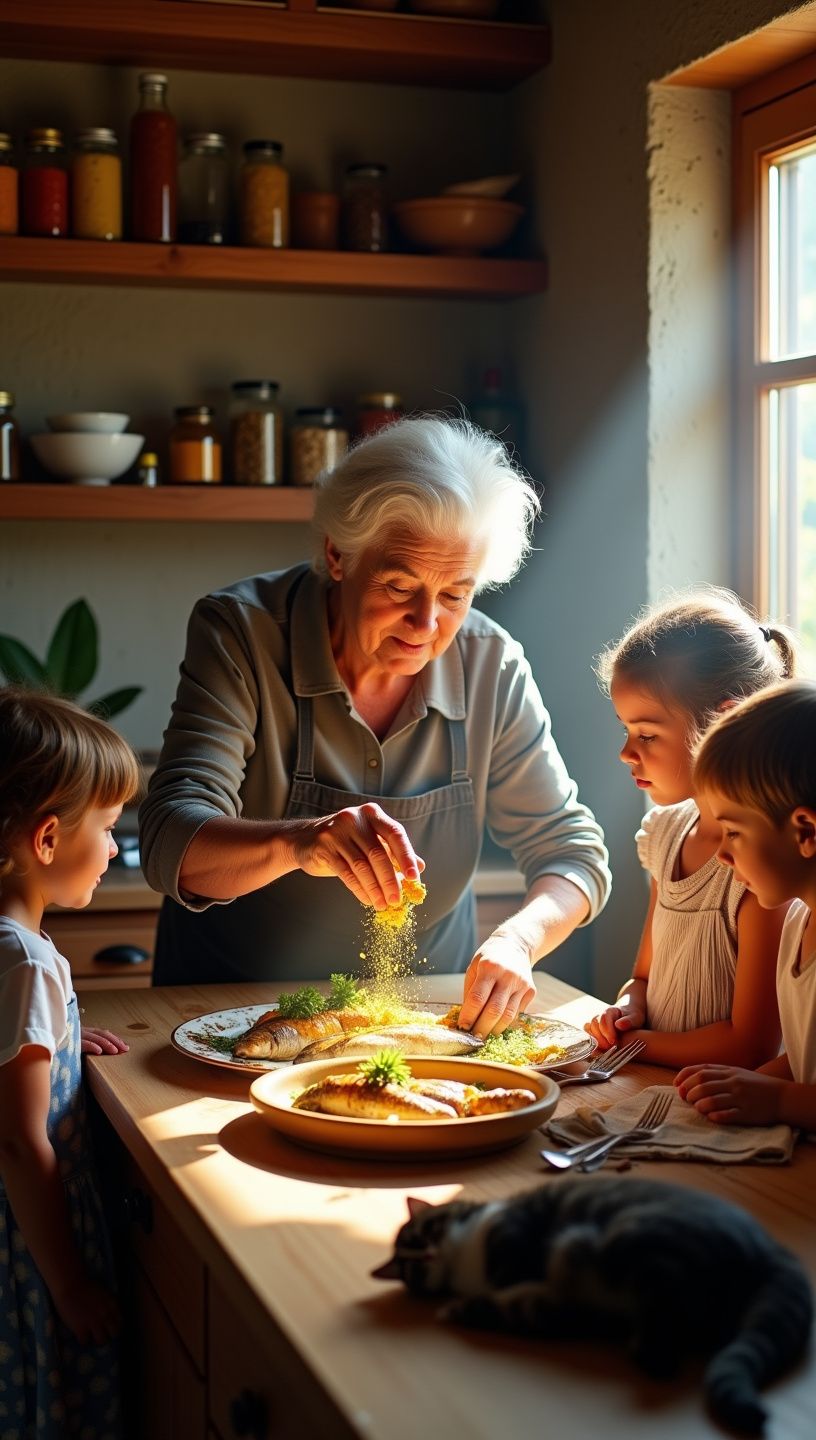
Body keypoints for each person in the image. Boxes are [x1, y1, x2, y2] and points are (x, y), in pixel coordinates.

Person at [139, 415, 610, 1034]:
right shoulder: (242, 633)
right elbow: (168, 842)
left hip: (420, 1017)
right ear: (338, 554)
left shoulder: (490, 662)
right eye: (399, 586)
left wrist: (518, 940)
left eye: (455, 594)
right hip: (230, 1016)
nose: (426, 623)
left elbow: (573, 853)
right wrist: (301, 841)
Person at [0, 685, 140, 1438]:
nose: (115, 849)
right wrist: (69, 1285)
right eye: (110, 828)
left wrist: (48, 1042)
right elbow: (21, 1143)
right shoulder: (25, 962)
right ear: (48, 839)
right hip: (33, 1244)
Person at [584, 587, 796, 1068]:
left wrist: (628, 1047)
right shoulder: (666, 834)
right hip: (656, 1086)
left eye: (647, 734)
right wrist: (627, 1010)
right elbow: (643, 977)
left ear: (723, 721)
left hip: (718, 1103)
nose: (626, 752)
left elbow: (750, 1047)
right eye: (626, 730)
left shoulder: (761, 861)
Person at [675, 681, 816, 1131]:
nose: (722, 854)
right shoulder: (798, 921)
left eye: (734, 832)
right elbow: (807, 1059)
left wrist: (778, 1100)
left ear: (806, 832)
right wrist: (744, 1084)